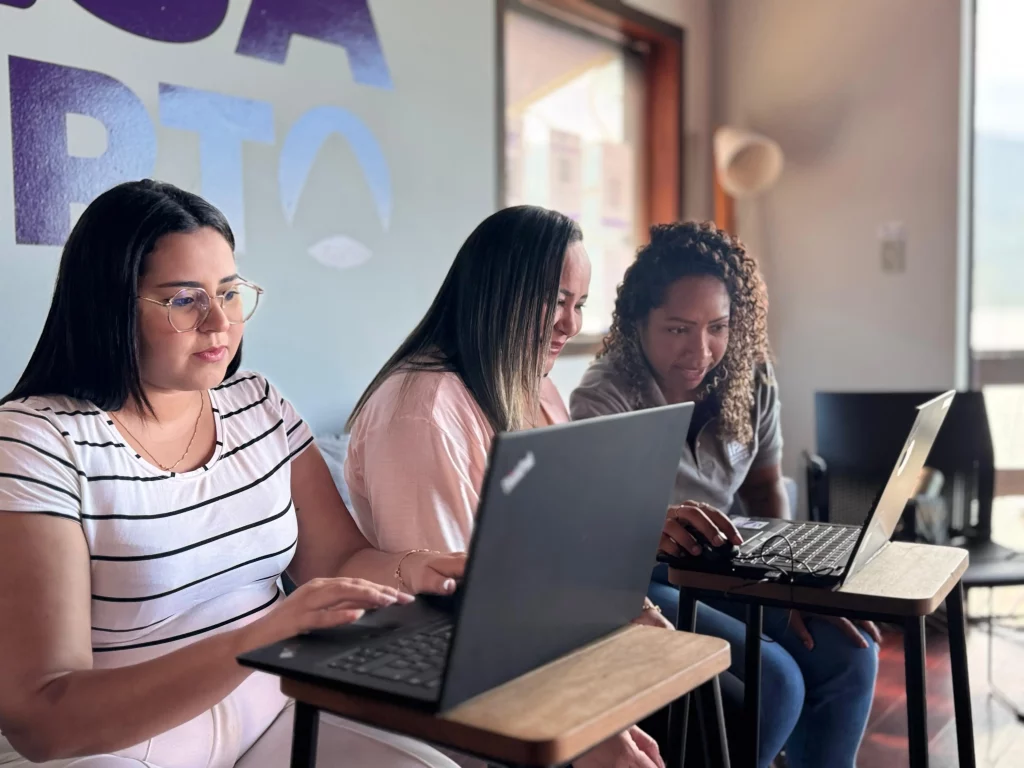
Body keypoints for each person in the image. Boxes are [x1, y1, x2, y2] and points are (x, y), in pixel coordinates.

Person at [0, 181, 467, 768]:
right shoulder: (37, 439)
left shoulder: (258, 404)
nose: (219, 321)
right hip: (116, 746)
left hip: (269, 707)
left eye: (229, 292)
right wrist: (260, 638)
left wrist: (417, 568)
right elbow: (44, 719)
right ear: (111, 305)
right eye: (184, 300)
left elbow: (339, 561)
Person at [344, 205, 721, 768]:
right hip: (473, 675)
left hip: (544, 631)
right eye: (555, 301)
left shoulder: (534, 387)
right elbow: (450, 605)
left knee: (712, 681)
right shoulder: (420, 411)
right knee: (717, 712)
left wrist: (628, 608)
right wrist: (590, 724)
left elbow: (567, 533)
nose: (570, 325)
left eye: (580, 305)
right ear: (498, 291)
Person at [569, 221, 881, 768]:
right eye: (678, 329)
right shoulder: (605, 396)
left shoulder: (751, 378)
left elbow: (765, 489)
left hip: (730, 560)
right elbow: (601, 533)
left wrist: (793, 584)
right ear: (637, 322)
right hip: (640, 573)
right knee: (775, 680)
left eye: (718, 327)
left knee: (850, 654)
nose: (701, 350)